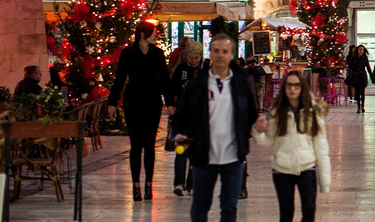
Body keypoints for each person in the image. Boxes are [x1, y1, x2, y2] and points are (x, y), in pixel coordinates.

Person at [172, 33, 260, 222]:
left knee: (229, 209)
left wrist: (245, 135)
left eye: (225, 51)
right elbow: (180, 115)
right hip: (204, 157)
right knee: (199, 209)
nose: (220, 55)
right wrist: (180, 134)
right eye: (217, 51)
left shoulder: (240, 84)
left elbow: (251, 115)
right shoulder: (197, 85)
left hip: (233, 158)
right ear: (210, 54)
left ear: (231, 55)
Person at [252, 70, 330, 222]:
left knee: (309, 210)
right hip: (282, 169)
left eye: (296, 85)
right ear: (284, 88)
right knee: (286, 212)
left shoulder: (312, 112)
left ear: (302, 88)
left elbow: (321, 146)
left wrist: (324, 180)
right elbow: (269, 141)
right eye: (289, 85)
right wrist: (257, 132)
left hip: (306, 167)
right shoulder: (276, 112)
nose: (292, 89)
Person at [105, 22, 171, 202]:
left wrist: (170, 102)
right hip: (133, 102)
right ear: (143, 34)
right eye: (153, 33)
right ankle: (135, 186)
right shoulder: (128, 53)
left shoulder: (157, 53)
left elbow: (165, 79)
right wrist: (112, 102)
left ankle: (149, 185)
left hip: (152, 102)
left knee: (149, 144)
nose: (156, 36)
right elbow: (119, 79)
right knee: (135, 145)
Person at [169, 40, 208, 197]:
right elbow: (172, 88)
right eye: (191, 58)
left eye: (196, 58)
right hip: (183, 117)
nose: (193, 61)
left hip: (199, 117)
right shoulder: (181, 69)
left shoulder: (206, 69)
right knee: (181, 150)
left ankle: (191, 184)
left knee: (195, 152)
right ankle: (179, 183)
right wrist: (171, 104)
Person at [346, 45, 373, 113]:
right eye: (360, 49)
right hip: (356, 76)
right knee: (357, 92)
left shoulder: (364, 58)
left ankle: (362, 106)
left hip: (362, 76)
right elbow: (350, 67)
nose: (361, 51)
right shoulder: (354, 57)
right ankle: (358, 106)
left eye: (362, 50)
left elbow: (368, 67)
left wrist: (372, 76)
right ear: (357, 50)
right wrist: (350, 75)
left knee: (362, 92)